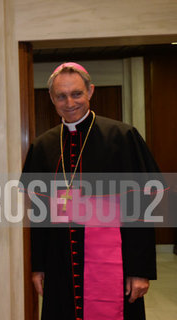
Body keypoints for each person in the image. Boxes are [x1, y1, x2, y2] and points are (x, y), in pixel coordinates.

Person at [22, 62, 159, 319]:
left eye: (76, 94)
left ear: (90, 91)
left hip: (114, 263)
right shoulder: (43, 146)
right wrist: (38, 267)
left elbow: (144, 206)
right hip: (61, 262)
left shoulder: (122, 136)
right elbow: (38, 214)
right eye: (61, 96)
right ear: (51, 98)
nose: (69, 102)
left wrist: (139, 269)